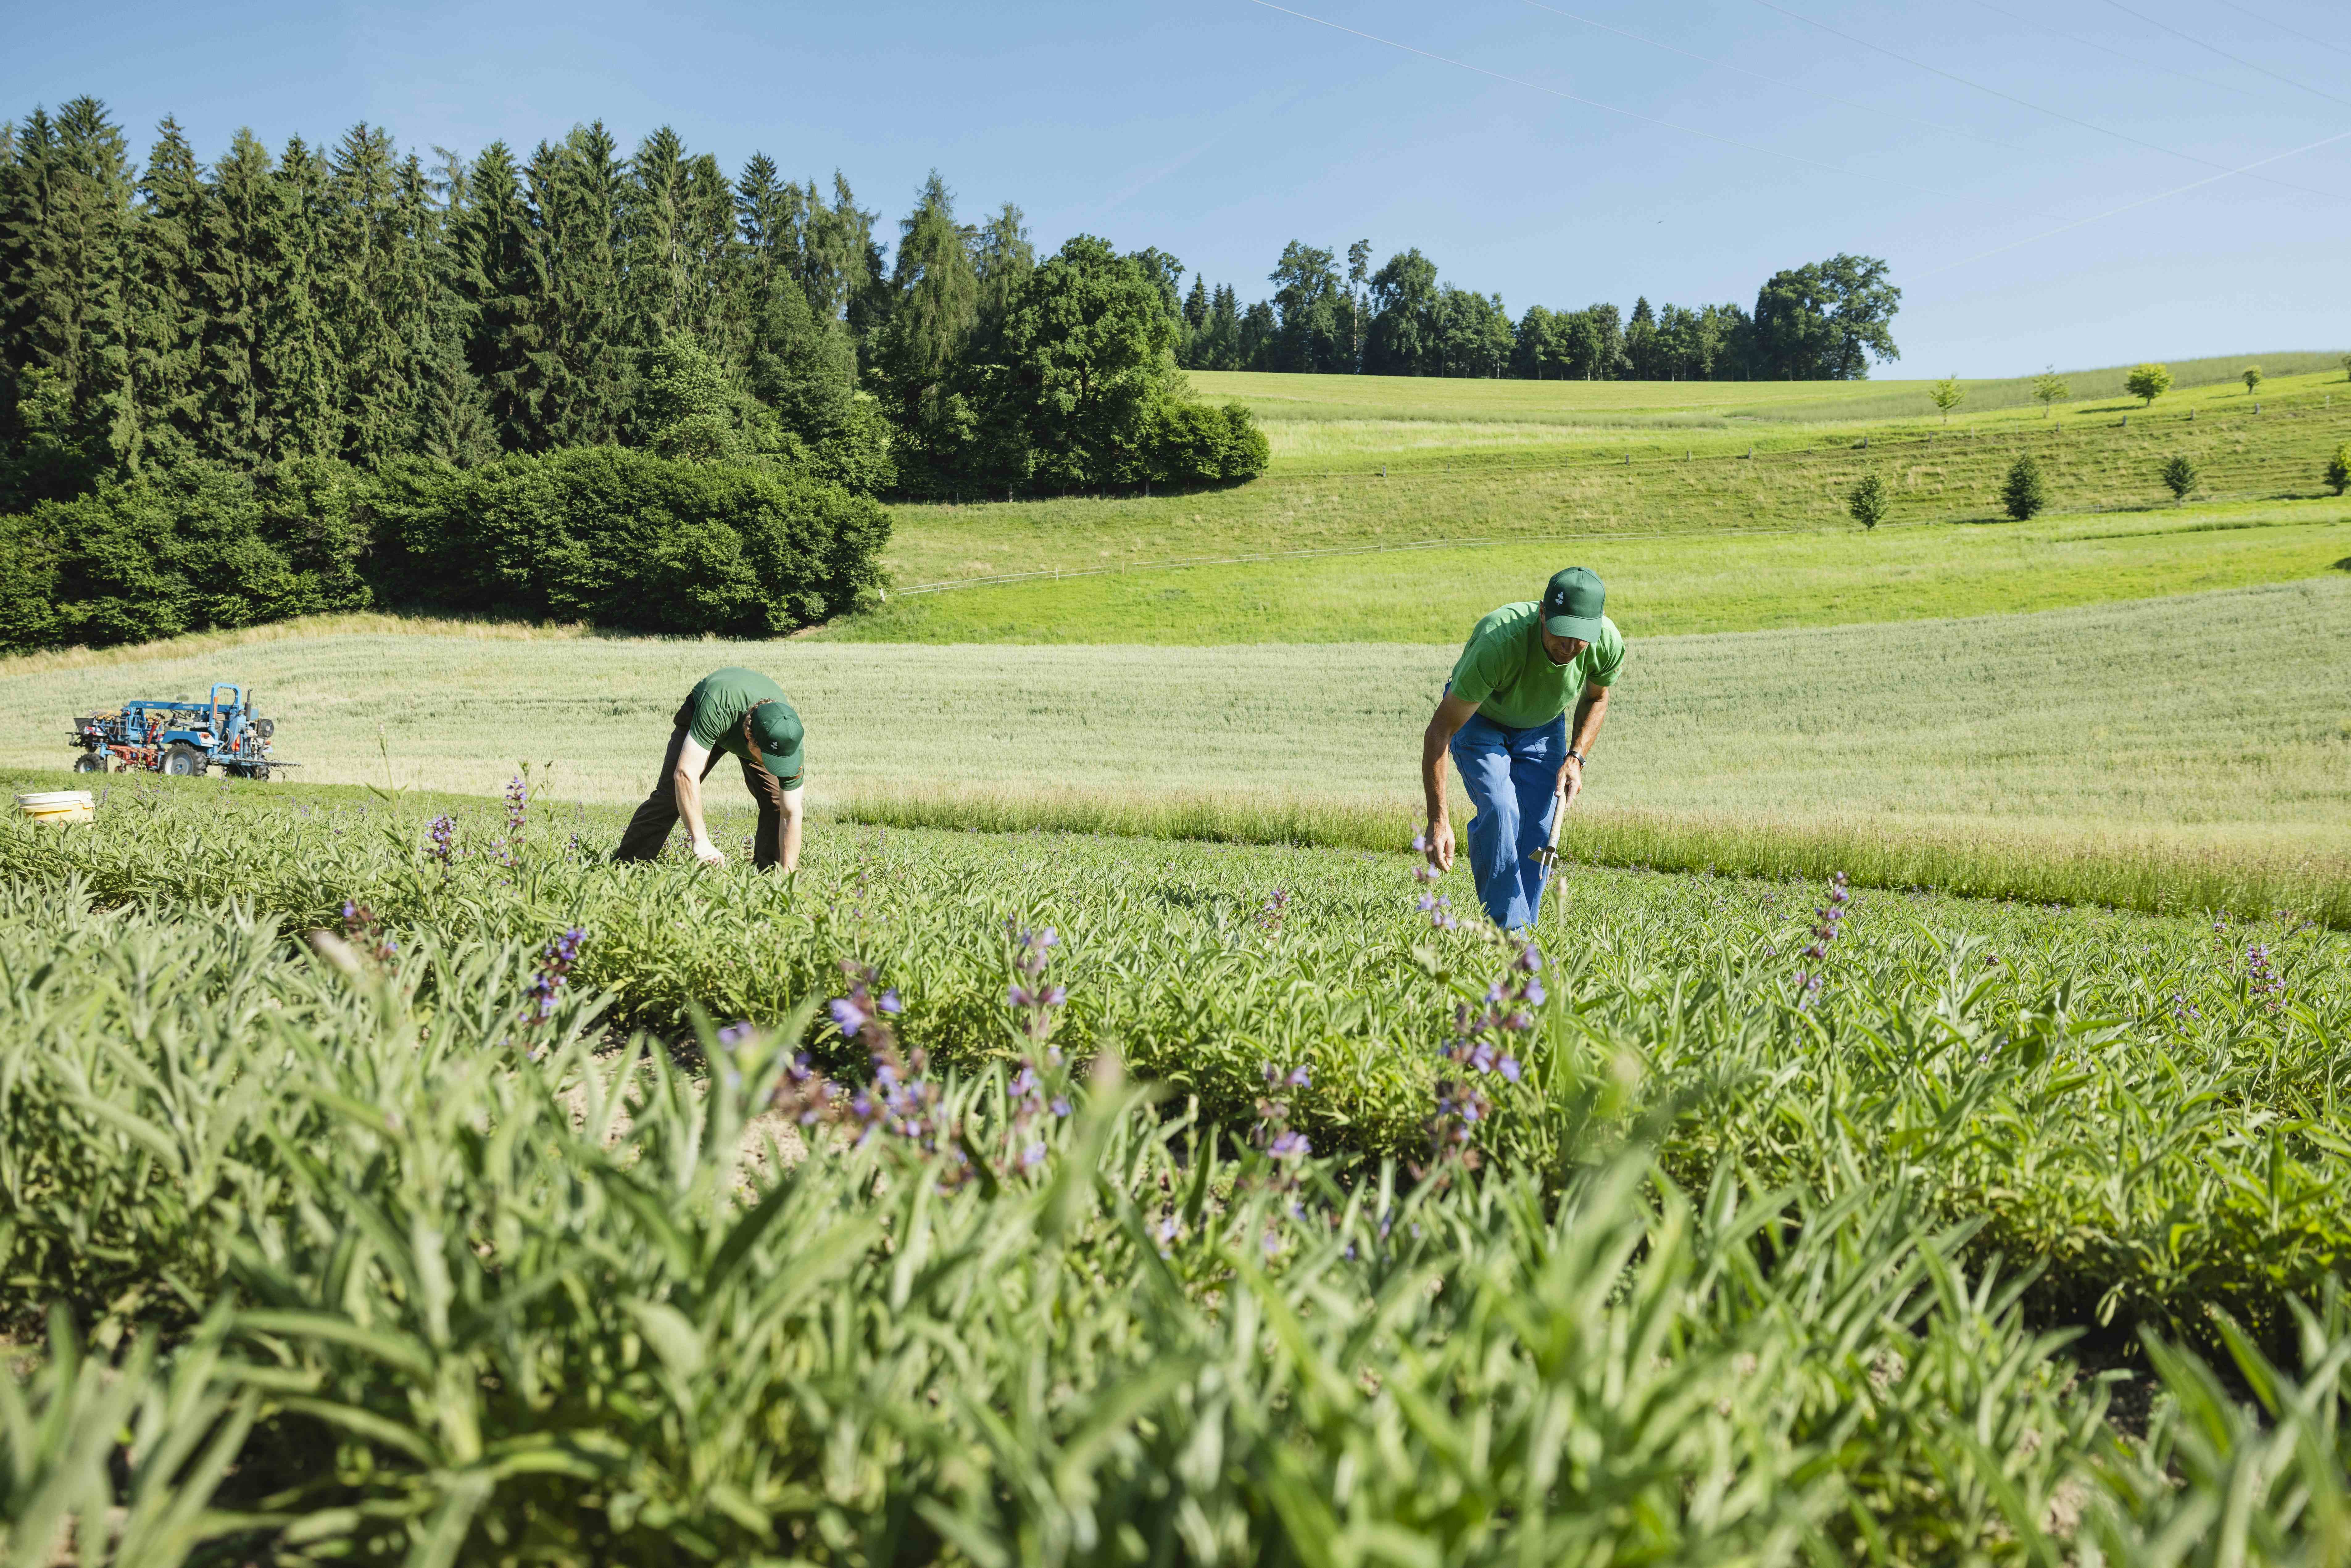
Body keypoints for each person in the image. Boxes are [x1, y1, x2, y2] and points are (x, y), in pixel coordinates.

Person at [1419, 567, 1624, 931]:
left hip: (1542, 728)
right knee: (1500, 808)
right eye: (1561, 633)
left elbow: (1597, 698)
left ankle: (1523, 930)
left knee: (1542, 829)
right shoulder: (1500, 642)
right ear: (1543, 613)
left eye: (1580, 638)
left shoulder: (1604, 643)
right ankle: (1509, 933)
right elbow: (1438, 732)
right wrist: (1439, 821)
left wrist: (1575, 757)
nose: (1569, 647)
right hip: (1480, 721)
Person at [614, 667, 807, 871]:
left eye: (779, 760)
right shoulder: (718, 708)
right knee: (671, 796)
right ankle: (626, 868)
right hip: (707, 710)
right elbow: (685, 774)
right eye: (769, 758)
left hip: (759, 731)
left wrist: (789, 876)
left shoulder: (788, 738)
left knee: (776, 801)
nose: (773, 766)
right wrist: (701, 841)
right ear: (750, 739)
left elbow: (791, 813)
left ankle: (771, 874)